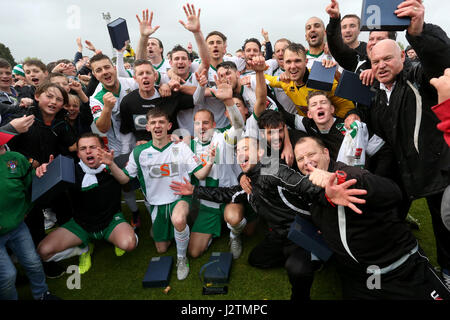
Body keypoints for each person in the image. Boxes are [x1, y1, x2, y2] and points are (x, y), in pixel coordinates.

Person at [170, 134, 367, 301]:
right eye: (237, 151)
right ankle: (309, 257)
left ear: (261, 153)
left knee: (297, 268)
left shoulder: (271, 168)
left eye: (246, 149)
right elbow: (228, 194)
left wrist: (327, 189)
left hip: (300, 231)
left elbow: (299, 183)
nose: (240, 154)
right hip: (278, 234)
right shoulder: (249, 180)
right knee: (256, 259)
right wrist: (195, 189)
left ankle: (313, 259)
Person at [345, 0, 450, 285]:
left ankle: (448, 272)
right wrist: (353, 113)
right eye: (376, 61)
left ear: (403, 57)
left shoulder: (416, 77)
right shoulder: (374, 91)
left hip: (434, 167)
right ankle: (397, 259)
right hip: (399, 171)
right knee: (388, 216)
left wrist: (419, 31)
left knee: (444, 226)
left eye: (387, 59)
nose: (381, 66)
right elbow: (365, 119)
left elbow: (440, 63)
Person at [294, 136, 450, 299]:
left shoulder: (352, 175)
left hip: (402, 270)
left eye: (311, 154)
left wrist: (342, 180)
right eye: (300, 159)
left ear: (326, 153)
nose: (306, 161)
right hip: (364, 277)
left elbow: (394, 193)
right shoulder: (309, 188)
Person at [99, 107, 215, 280]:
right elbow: (124, 179)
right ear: (147, 127)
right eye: (153, 122)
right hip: (155, 204)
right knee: (161, 248)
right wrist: (111, 164)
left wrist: (210, 162)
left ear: (169, 126)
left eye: (161, 122)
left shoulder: (181, 148)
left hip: (180, 198)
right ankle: (180, 231)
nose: (157, 125)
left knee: (178, 220)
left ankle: (181, 259)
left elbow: (200, 174)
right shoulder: (139, 152)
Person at [35, 133, 138, 275]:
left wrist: (111, 164)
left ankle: (115, 239)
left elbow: (125, 181)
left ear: (103, 149)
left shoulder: (113, 164)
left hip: (111, 221)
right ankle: (83, 249)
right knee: (43, 251)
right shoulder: (71, 170)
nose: (88, 151)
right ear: (78, 154)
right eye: (83, 148)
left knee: (129, 244)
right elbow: (44, 191)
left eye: (93, 147)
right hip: (80, 224)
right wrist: (46, 171)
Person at [0, 121, 60, 300]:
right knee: (7, 275)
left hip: (18, 226)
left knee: (33, 262)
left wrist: (41, 171)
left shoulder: (15, 159)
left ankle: (41, 294)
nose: (3, 146)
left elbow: (30, 182)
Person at [264, 42, 354, 118]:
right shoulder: (285, 81)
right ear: (283, 64)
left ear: (306, 61)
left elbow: (348, 107)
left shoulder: (321, 77)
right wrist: (257, 70)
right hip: (308, 128)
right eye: (288, 62)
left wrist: (331, 121)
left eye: (297, 61)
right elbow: (269, 79)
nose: (293, 66)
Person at [136, 9, 171, 75]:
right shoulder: (145, 66)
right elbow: (138, 61)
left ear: (161, 49)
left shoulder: (170, 64)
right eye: (147, 45)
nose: (150, 46)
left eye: (153, 44)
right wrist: (143, 37)